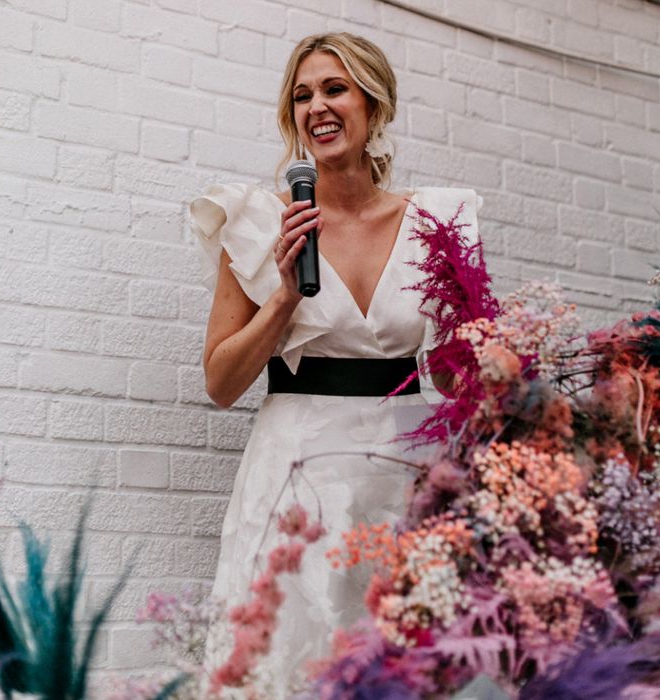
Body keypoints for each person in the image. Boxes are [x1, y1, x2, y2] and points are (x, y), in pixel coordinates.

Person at [190, 32, 481, 691]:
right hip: (297, 475)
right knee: (289, 660)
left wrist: (486, 355)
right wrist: (284, 299)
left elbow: (455, 377)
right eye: (301, 95)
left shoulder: (438, 221)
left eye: (334, 88)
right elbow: (220, 382)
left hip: (407, 471)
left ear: (374, 104)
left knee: (404, 661)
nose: (316, 106)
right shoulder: (262, 223)